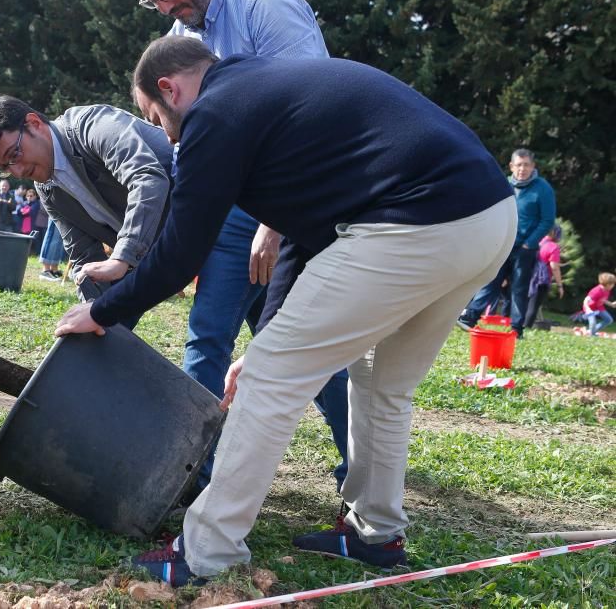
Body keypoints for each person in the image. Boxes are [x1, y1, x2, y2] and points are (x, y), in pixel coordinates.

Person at [56, 37, 515, 581]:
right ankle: (377, 533)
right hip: (487, 218)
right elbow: (305, 232)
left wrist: (104, 312)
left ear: (169, 88)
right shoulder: (264, 91)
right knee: (380, 382)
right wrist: (267, 336)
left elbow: (181, 252)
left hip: (415, 220)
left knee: (271, 380)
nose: (163, 132)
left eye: (155, 117)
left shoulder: (213, 114)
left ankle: (207, 551)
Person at [115, 0, 349, 491]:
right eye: (155, 2)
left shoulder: (266, 5)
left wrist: (276, 223)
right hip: (231, 205)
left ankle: (352, 465)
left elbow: (314, 110)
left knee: (284, 343)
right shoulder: (181, 35)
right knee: (234, 337)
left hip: (286, 201)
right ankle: (192, 471)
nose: (168, 8)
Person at [0, 97, 173, 307]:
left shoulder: (94, 126)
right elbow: (83, 254)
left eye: (15, 154)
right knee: (91, 326)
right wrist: (89, 309)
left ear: (34, 123)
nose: (18, 172)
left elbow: (147, 179)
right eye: (5, 168)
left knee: (204, 332)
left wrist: (122, 257)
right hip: (172, 249)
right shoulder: (47, 189)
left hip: (205, 220)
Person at [457, 148, 556, 337]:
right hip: (502, 243)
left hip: (526, 247)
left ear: (533, 166)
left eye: (526, 165)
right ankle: (470, 316)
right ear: (511, 166)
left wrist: (530, 242)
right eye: (519, 165)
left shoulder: (542, 188)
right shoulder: (504, 184)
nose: (522, 169)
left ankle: (517, 328)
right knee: (489, 280)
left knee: (519, 288)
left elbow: (547, 220)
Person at [524, 225, 563, 329]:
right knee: (534, 305)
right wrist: (560, 285)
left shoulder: (539, 242)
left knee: (525, 303)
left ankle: (518, 325)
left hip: (528, 275)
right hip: (540, 280)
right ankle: (525, 328)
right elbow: (554, 267)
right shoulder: (553, 247)